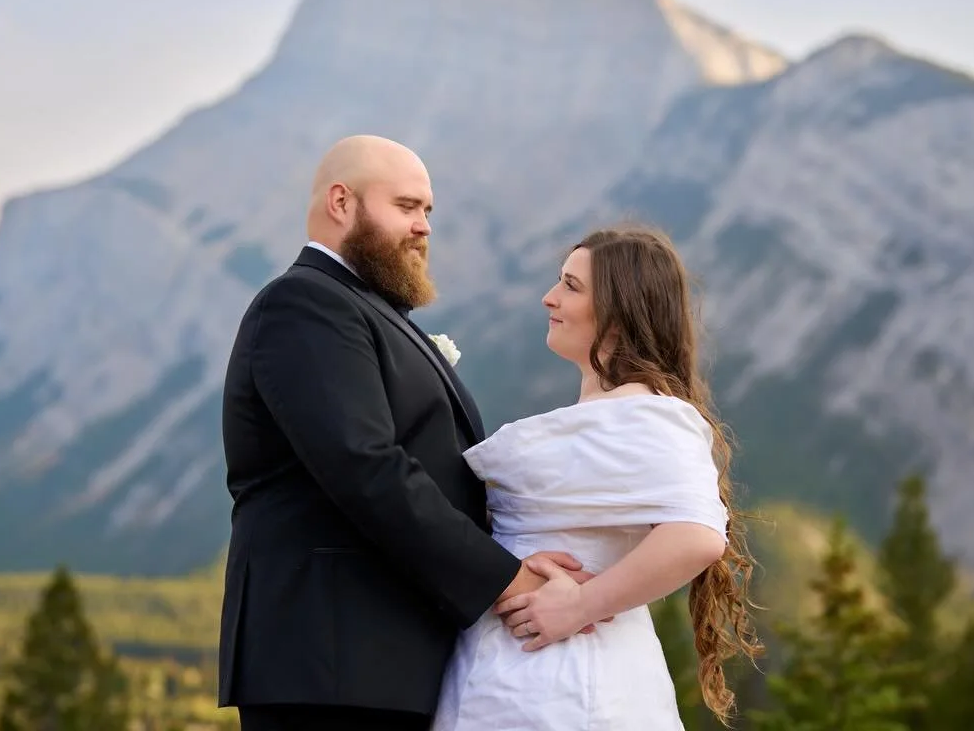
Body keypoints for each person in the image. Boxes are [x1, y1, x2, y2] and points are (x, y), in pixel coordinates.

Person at [217, 135, 587, 731]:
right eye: (408, 207)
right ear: (342, 202)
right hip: (330, 661)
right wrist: (507, 578)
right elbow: (365, 466)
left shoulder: (365, 308)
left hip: (373, 660)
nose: (424, 228)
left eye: (428, 212)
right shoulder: (305, 302)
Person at [432, 226, 763, 730]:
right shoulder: (611, 411)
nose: (549, 298)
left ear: (617, 312)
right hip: (511, 673)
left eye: (570, 286)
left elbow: (695, 536)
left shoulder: (647, 412)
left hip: (568, 681)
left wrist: (580, 604)